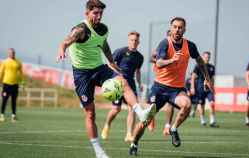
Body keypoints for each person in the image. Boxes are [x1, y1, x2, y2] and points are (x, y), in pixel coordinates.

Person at [56, 1, 155, 158]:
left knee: (123, 81)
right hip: (82, 75)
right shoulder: (81, 30)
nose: (99, 16)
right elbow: (66, 41)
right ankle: (98, 151)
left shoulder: (103, 29)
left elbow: (104, 44)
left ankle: (140, 112)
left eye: (101, 13)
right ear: (87, 13)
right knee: (90, 114)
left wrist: (111, 62)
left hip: (99, 68)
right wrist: (62, 50)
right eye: (95, 13)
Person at [128, 17, 213, 156]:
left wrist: (207, 78)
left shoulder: (190, 46)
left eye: (180, 27)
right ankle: (134, 142)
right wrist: (172, 60)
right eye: (175, 27)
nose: (177, 30)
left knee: (187, 104)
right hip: (160, 88)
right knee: (145, 120)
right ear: (171, 28)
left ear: (184, 29)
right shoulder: (164, 44)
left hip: (177, 90)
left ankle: (173, 129)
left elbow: (200, 62)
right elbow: (159, 62)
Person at [101, 31, 144, 142]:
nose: (134, 42)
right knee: (116, 109)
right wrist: (115, 76)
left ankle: (129, 134)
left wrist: (139, 84)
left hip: (131, 84)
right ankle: (107, 125)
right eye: (132, 40)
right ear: (128, 40)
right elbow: (110, 63)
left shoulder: (140, 57)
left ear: (138, 42)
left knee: (132, 109)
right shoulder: (121, 51)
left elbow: (138, 71)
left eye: (136, 40)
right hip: (118, 83)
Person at [190, 51, 218, 127]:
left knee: (212, 103)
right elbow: (193, 77)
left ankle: (212, 121)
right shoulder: (198, 66)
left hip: (209, 89)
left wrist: (213, 87)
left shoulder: (212, 67)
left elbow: (212, 78)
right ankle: (202, 120)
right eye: (206, 57)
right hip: (200, 89)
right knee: (201, 105)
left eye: (208, 57)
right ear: (202, 57)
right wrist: (192, 87)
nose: (207, 58)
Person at [0, 48, 23, 123]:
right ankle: (2, 115)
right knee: (4, 100)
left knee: (14, 101)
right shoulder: (5, 62)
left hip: (15, 85)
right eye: (11, 53)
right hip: (6, 84)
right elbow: (1, 72)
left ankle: (13, 116)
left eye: (13, 53)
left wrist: (22, 83)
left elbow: (21, 73)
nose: (12, 54)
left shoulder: (18, 62)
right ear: (8, 54)